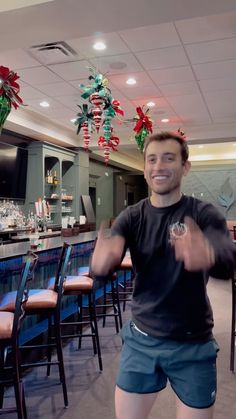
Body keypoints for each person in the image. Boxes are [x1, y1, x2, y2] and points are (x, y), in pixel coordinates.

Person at [91, 131, 235, 419]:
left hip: (193, 343)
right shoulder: (131, 216)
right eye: (152, 160)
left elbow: (228, 259)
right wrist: (101, 265)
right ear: (145, 169)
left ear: (185, 167)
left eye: (169, 158)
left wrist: (209, 254)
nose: (158, 167)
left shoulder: (203, 213)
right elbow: (103, 272)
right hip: (141, 340)